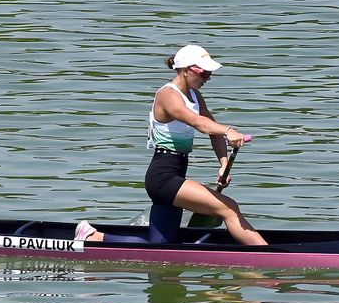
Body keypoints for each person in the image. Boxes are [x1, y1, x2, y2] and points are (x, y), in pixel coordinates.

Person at [75, 44, 267, 246]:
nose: (208, 78)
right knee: (229, 208)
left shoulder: (195, 96)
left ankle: (93, 237)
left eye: (210, 73)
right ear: (186, 70)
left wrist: (224, 163)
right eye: (204, 73)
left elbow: (213, 130)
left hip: (175, 175)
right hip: (163, 178)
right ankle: (269, 254)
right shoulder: (167, 95)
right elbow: (197, 122)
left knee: (159, 246)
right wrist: (228, 130)